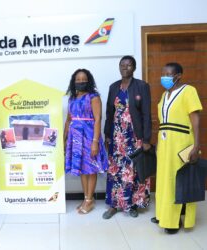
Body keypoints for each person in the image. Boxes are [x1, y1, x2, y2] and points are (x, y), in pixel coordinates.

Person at [153, 62, 202, 234]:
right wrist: (159, 141)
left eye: (168, 73)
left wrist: (196, 145)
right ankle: (164, 214)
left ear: (178, 75)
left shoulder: (188, 91)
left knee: (179, 180)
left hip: (181, 142)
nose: (164, 77)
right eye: (163, 73)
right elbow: (163, 123)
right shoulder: (165, 94)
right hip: (166, 142)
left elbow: (195, 118)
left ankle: (173, 222)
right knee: (165, 179)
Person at [103, 56, 152, 219]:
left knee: (133, 171)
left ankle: (132, 205)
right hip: (117, 137)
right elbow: (109, 113)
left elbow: (146, 113)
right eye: (122, 65)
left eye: (129, 65)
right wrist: (107, 134)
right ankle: (114, 205)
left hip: (134, 136)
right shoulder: (113, 86)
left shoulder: (142, 86)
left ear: (134, 68)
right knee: (116, 171)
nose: (125, 67)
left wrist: (146, 139)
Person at [64, 68, 108, 214]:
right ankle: (86, 198)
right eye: (78, 79)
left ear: (88, 81)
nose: (81, 81)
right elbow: (68, 120)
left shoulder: (93, 97)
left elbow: (97, 120)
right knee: (82, 169)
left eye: (84, 79)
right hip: (75, 138)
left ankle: (89, 201)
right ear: (74, 82)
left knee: (92, 169)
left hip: (89, 137)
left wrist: (95, 141)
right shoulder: (72, 98)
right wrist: (65, 139)